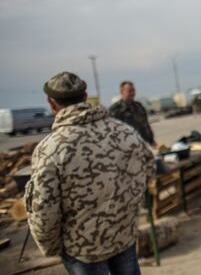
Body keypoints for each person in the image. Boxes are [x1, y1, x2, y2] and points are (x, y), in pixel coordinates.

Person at [24, 71, 155, 275]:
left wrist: (52, 247)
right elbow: (148, 169)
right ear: (85, 97)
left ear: (52, 103)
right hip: (123, 236)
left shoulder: (50, 149)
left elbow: (44, 210)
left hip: (82, 247)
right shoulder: (124, 131)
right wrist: (126, 213)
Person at [109, 81, 155, 146]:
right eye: (130, 91)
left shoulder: (139, 106)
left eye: (133, 90)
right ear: (122, 92)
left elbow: (146, 125)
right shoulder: (115, 109)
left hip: (145, 143)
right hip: (128, 146)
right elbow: (113, 131)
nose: (132, 93)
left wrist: (152, 140)